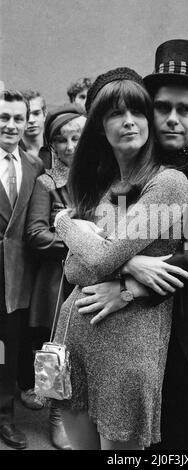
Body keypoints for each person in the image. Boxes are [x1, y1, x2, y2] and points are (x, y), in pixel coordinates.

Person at [75, 40, 188, 450]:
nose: (173, 119)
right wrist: (130, 263)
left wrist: (130, 283)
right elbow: (109, 237)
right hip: (151, 347)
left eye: (185, 109)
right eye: (163, 108)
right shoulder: (138, 168)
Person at [52, 67, 188, 450]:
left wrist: (65, 223)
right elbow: (74, 268)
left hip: (131, 341)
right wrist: (131, 262)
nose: (129, 122)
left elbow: (95, 261)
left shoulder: (169, 184)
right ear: (99, 127)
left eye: (138, 112)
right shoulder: (102, 183)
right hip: (77, 331)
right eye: (115, 113)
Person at [24, 105, 86, 450]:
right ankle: (57, 417)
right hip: (59, 280)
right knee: (59, 350)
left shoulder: (102, 178)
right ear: (51, 145)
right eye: (61, 140)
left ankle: (85, 416)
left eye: (77, 137)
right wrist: (80, 239)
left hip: (94, 277)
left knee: (87, 351)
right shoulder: (46, 183)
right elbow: (35, 234)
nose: (70, 146)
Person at [0, 90, 43, 449]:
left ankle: (4, 416)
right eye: (3, 117)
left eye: (18, 118)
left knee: (6, 347)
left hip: (14, 276)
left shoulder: (32, 166)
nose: (11, 125)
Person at [20, 90, 52, 169]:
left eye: (36, 113)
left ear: (44, 114)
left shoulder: (57, 149)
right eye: (25, 115)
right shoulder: (10, 151)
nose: (31, 120)